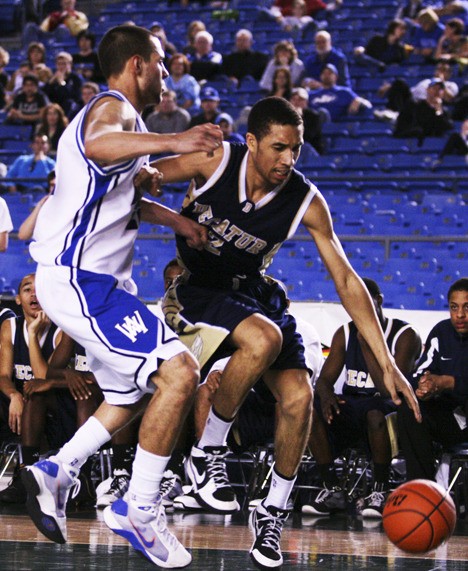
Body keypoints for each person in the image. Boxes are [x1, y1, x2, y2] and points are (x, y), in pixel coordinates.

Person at [153, 96, 420, 568]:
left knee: (299, 397)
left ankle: (272, 512)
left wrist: (387, 362)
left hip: (254, 294)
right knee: (263, 339)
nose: (288, 159)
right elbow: (132, 184)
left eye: (295, 149)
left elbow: (346, 280)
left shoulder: (304, 197)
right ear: (251, 141)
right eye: (278, 147)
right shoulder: (213, 161)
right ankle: (207, 451)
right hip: (197, 290)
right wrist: (174, 218)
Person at [21, 24, 222, 570]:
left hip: (92, 281)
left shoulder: (121, 127)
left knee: (130, 395)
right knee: (180, 373)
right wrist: (175, 141)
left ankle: (58, 468)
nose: (165, 72)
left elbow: (119, 193)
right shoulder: (110, 111)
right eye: (160, 63)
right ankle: (139, 506)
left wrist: (179, 220)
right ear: (137, 64)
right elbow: (97, 144)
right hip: (81, 279)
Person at [303, 278, 422, 518]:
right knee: (310, 411)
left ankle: (380, 490)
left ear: (378, 302)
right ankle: (332, 489)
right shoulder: (345, 333)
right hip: (353, 405)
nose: (358, 312)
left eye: (364, 305)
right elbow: (324, 380)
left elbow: (390, 390)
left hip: (389, 407)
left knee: (376, 413)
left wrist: (367, 345)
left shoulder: (405, 334)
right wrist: (327, 397)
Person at [0, 273, 64, 504]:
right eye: (27, 289)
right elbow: (4, 375)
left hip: (50, 408)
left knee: (36, 395)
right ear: (18, 299)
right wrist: (13, 394)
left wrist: (34, 335)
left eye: (40, 289)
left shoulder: (60, 329)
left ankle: (27, 473)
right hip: (17, 406)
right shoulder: (11, 326)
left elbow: (42, 378)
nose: (34, 294)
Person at [397, 278, 468, 482]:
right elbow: (421, 370)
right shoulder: (441, 331)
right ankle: (421, 486)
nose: (460, 315)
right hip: (451, 420)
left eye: (466, 307)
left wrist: (446, 382)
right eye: (454, 307)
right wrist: (423, 385)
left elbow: (447, 381)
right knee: (410, 406)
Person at [393, 78, 453, 143]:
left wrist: (438, 111)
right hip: (415, 139)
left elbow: (448, 127)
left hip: (432, 143)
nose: (437, 91)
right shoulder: (415, 105)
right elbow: (421, 123)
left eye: (440, 89)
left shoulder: (444, 111)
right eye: (434, 88)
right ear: (427, 90)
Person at [22, 0, 89, 47]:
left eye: (69, 3)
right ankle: (28, 52)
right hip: (51, 37)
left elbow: (79, 31)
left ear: (74, 2)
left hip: (68, 38)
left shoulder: (80, 15)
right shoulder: (55, 15)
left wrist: (67, 19)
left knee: (62, 28)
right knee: (30, 26)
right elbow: (43, 29)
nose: (67, 4)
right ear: (61, 3)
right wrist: (56, 20)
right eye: (65, 3)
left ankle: (59, 48)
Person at [18, 170, 56, 241]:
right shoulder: (44, 206)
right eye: (52, 185)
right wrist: (39, 205)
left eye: (58, 185)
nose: (54, 189)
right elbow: (23, 235)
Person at [43, 51, 83, 119]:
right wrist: (51, 82)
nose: (61, 66)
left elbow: (71, 95)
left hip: (70, 108)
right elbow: (45, 94)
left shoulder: (75, 78)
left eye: (64, 64)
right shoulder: (53, 78)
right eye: (59, 64)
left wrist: (62, 82)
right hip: (55, 107)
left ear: (70, 64)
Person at [289, 86, 325, 154]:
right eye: (294, 99)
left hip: (310, 151)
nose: (296, 102)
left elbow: (308, 136)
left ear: (306, 102)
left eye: (300, 99)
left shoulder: (313, 116)